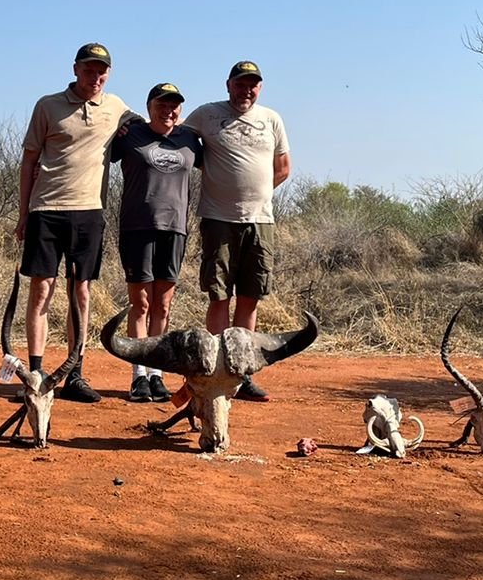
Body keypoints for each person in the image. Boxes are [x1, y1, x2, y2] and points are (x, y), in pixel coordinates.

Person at [16, 43, 133, 403]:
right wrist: (23, 214)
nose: (95, 77)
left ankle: (75, 374)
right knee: (41, 290)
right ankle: (36, 375)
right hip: (46, 209)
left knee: (80, 292)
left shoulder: (116, 108)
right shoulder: (47, 105)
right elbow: (28, 161)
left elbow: (152, 125)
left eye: (101, 71)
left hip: (89, 210)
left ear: (108, 74)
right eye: (88, 70)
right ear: (75, 69)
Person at [183, 60, 291, 401]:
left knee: (250, 297)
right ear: (228, 84)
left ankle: (241, 374)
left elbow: (283, 168)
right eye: (241, 83)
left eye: (253, 85)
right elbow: (179, 144)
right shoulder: (206, 115)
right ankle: (214, 370)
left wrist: (255, 194)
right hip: (218, 219)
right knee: (219, 295)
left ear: (259, 87)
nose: (247, 90)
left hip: (260, 221)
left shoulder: (271, 118)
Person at [108, 82, 203, 402]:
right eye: (162, 104)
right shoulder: (131, 135)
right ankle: (138, 376)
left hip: (174, 229)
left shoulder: (190, 139)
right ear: (149, 107)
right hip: (138, 227)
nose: (169, 110)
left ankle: (157, 374)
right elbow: (103, 150)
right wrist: (124, 126)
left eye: (174, 105)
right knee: (141, 303)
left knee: (162, 305)